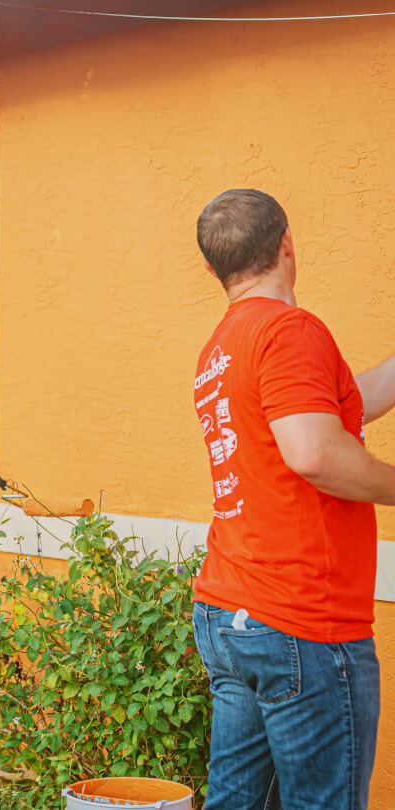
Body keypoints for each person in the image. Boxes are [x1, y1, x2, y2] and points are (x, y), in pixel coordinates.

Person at [191, 188, 395, 809]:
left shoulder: (224, 346)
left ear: (213, 268)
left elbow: (323, 406)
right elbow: (312, 450)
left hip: (232, 614)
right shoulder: (290, 330)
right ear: (286, 244)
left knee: (236, 804)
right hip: (302, 620)